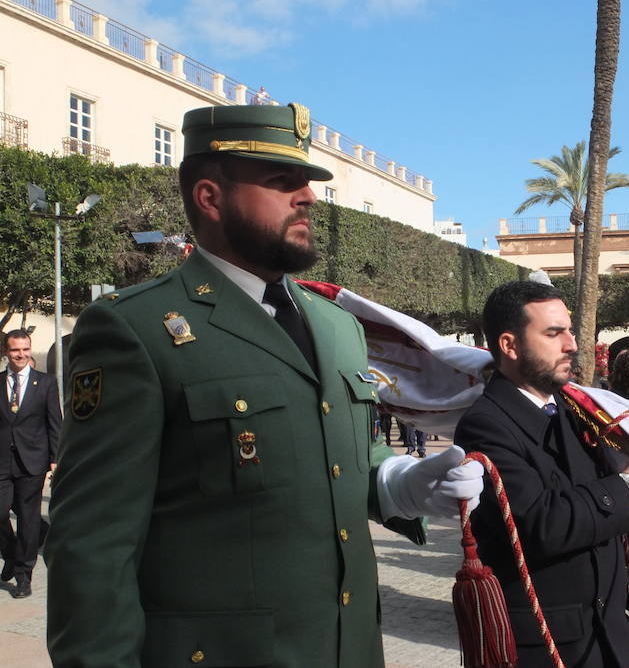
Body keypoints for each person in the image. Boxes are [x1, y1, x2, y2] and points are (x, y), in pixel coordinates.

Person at [44, 103, 484, 668]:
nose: (308, 197)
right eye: (283, 182)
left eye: (307, 182)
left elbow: (345, 461)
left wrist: (401, 483)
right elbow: (92, 546)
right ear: (210, 196)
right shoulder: (136, 329)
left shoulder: (336, 325)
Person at [454, 280, 629, 667]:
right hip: (551, 646)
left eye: (570, 331)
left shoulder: (576, 407)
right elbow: (544, 524)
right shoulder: (485, 425)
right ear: (509, 345)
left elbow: (615, 489)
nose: (571, 344)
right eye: (553, 333)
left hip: (610, 634)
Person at [0, 329, 61, 599]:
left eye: (25, 349)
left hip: (32, 461)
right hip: (1, 461)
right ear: (6, 352)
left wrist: (55, 459)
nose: (21, 355)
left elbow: (54, 423)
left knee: (28, 520)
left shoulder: (45, 383)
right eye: (15, 350)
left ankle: (24, 576)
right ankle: (10, 553)